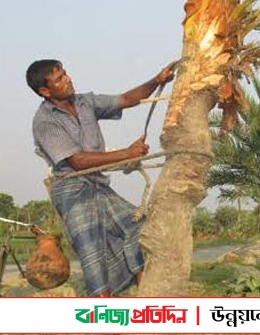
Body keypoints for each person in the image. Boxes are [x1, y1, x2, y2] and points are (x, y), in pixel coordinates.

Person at [25, 59, 175, 297]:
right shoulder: (44, 121)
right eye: (60, 79)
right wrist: (127, 154)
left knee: (138, 226)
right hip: (71, 190)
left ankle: (147, 295)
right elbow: (77, 162)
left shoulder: (85, 102)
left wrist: (157, 80)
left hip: (98, 184)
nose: (68, 79)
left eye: (65, 73)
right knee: (92, 251)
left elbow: (125, 99)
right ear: (45, 91)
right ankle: (102, 311)